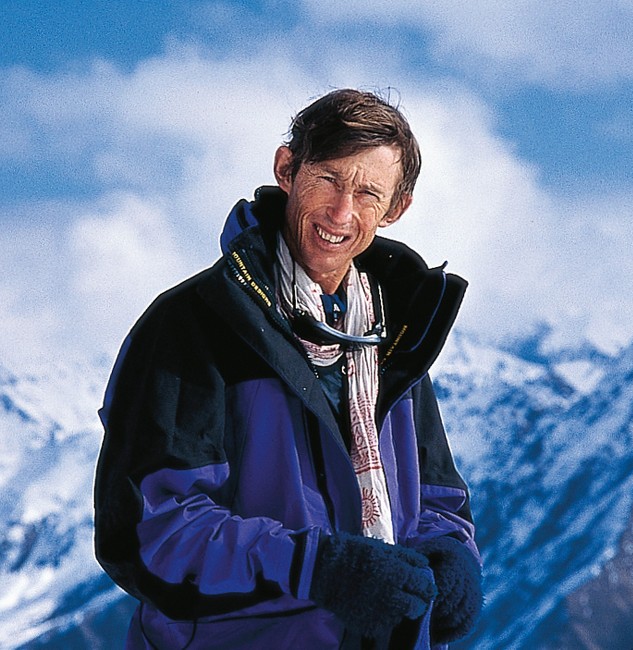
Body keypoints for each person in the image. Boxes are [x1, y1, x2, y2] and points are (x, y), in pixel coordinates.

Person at [94, 88, 482, 650]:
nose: (341, 212)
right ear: (287, 170)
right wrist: (313, 567)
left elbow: (436, 500)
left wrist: (450, 557)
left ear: (396, 208)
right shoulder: (194, 326)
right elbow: (151, 532)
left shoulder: (393, 336)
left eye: (368, 193)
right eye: (328, 179)